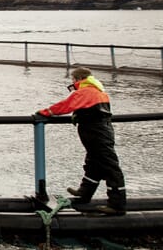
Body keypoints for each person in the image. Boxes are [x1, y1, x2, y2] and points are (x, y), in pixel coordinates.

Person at [35, 67, 126, 215]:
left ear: (77, 79)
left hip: (95, 132)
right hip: (101, 131)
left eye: (72, 79)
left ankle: (117, 204)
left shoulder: (85, 92)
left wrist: (45, 112)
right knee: (94, 162)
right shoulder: (98, 91)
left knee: (110, 167)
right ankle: (84, 193)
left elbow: (65, 105)